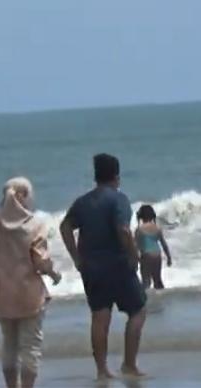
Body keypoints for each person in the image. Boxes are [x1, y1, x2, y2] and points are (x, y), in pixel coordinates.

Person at [59, 154, 147, 380]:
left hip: (91, 267)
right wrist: (134, 256)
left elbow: (65, 227)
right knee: (138, 311)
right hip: (118, 265)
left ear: (96, 176)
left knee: (100, 317)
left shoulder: (83, 201)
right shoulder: (119, 199)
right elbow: (124, 230)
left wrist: (76, 258)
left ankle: (102, 370)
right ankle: (129, 364)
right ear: (117, 177)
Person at [0, 177, 62, 388]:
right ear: (24, 196)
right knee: (30, 346)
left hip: (2, 295)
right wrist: (53, 274)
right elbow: (41, 262)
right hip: (29, 296)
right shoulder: (34, 224)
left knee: (9, 345)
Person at [135, 204, 173, 290]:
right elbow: (164, 244)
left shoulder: (139, 230)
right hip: (157, 255)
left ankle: (147, 301)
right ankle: (162, 297)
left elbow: (135, 247)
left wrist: (135, 261)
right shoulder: (157, 228)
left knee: (146, 281)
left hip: (146, 255)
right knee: (158, 280)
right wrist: (169, 257)